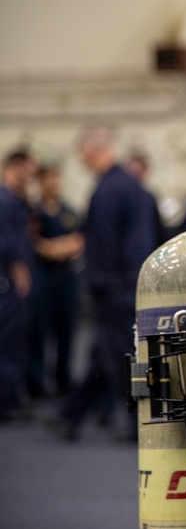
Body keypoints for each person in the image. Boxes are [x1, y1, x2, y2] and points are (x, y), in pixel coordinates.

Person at [50, 126, 159, 441]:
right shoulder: (134, 186)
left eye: (84, 157)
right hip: (130, 283)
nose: (83, 163)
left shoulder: (108, 190)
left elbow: (105, 241)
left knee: (122, 356)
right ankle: (69, 415)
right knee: (105, 354)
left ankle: (140, 422)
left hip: (114, 288)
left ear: (94, 151)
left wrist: (104, 282)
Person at [28, 163, 84, 396]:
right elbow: (33, 242)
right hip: (43, 277)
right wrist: (55, 249)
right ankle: (36, 381)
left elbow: (78, 240)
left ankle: (63, 378)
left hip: (66, 277)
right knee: (40, 330)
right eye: (48, 178)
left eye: (55, 178)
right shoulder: (34, 212)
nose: (53, 183)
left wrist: (56, 248)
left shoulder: (68, 211)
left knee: (67, 329)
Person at [0, 148, 37, 422]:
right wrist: (20, 273)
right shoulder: (5, 200)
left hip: (11, 280)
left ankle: (10, 396)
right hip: (8, 282)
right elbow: (9, 245)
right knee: (8, 342)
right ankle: (5, 401)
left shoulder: (16, 199)